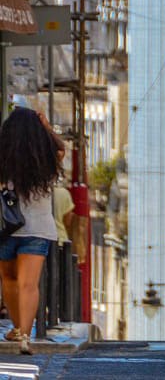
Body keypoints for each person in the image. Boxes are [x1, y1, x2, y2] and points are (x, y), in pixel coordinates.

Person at [0, 107, 63, 354]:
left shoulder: (4, 158)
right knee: (29, 284)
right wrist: (46, 127)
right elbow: (61, 148)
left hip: (7, 229)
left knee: (10, 281)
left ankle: (17, 328)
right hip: (38, 230)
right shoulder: (47, 160)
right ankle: (25, 335)